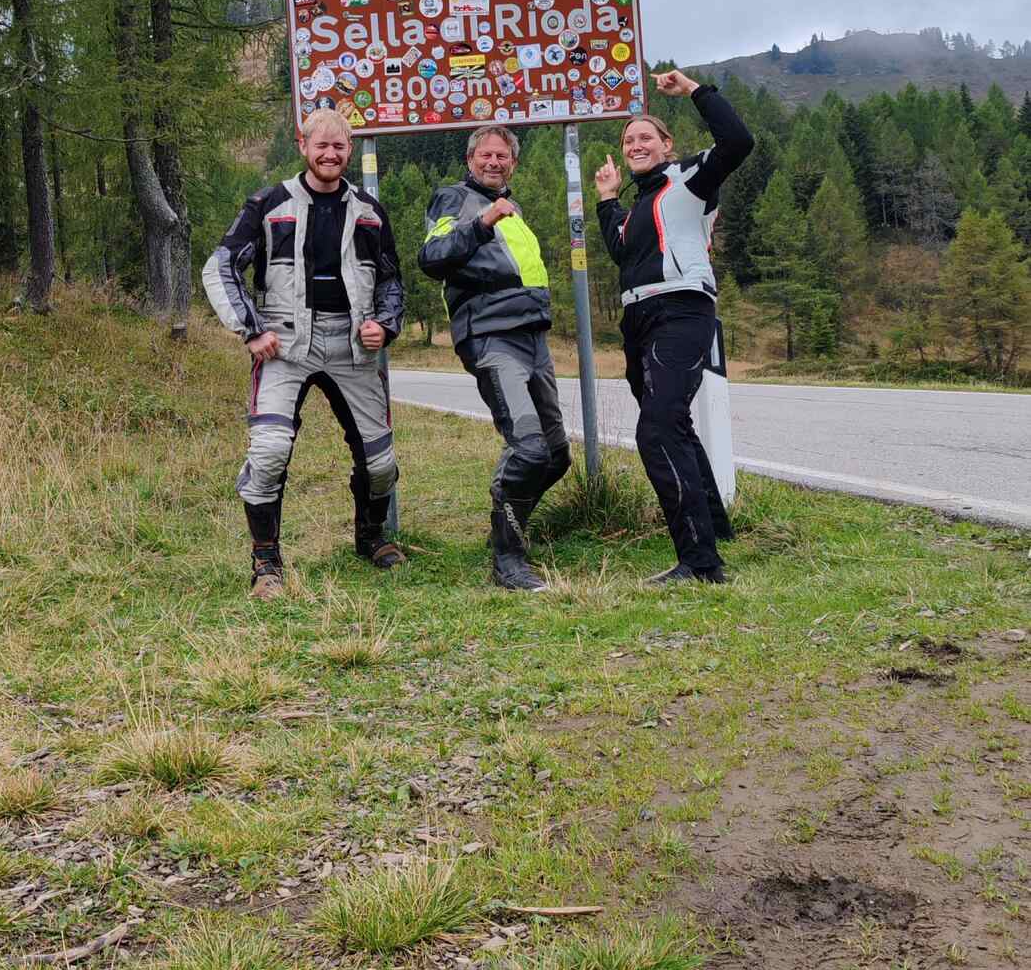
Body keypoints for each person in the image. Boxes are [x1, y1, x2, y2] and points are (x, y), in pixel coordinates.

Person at [202, 108, 405, 600]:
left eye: (339, 146)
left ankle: (371, 537)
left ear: (349, 150)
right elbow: (220, 267)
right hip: (285, 346)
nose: (330, 154)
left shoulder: (370, 212)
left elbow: (391, 280)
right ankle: (266, 561)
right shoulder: (269, 204)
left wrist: (386, 323)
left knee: (381, 464)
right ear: (303, 145)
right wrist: (251, 329)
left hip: (352, 347)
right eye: (321, 145)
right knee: (269, 452)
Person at [593, 69, 755, 585]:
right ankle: (716, 531)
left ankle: (700, 562)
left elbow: (738, 141)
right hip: (637, 318)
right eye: (628, 139)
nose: (635, 143)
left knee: (658, 428)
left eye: (646, 136)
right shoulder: (638, 203)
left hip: (682, 309)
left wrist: (693, 91)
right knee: (674, 425)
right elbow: (621, 251)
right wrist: (606, 199)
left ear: (667, 144)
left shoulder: (691, 178)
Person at [419, 126, 571, 591]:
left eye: (502, 155)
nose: (494, 162)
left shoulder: (515, 207)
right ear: (470, 160)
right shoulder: (453, 199)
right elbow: (433, 256)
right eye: (485, 155)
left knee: (556, 455)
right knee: (527, 447)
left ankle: (507, 522)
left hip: (531, 335)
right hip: (489, 334)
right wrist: (483, 223)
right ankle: (509, 559)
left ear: (514, 163)